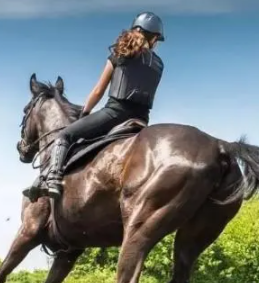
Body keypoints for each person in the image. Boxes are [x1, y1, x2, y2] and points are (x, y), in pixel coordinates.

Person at [28, 11, 165, 200]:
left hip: (115, 114)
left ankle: (52, 179)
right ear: (155, 37)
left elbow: (98, 91)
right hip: (142, 120)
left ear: (135, 29)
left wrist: (85, 113)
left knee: (65, 135)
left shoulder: (120, 53)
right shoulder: (159, 64)